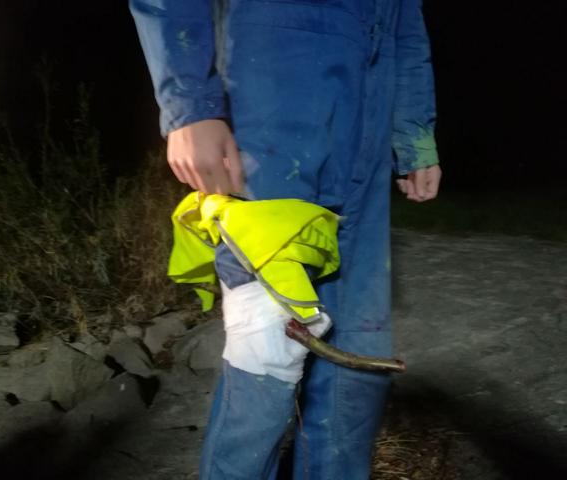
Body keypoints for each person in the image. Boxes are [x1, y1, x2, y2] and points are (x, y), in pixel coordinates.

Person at [129, 1, 442, 478]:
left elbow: (407, 23)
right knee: (266, 342)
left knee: (358, 351)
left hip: (369, 109)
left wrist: (414, 135)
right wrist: (190, 105)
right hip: (272, 90)